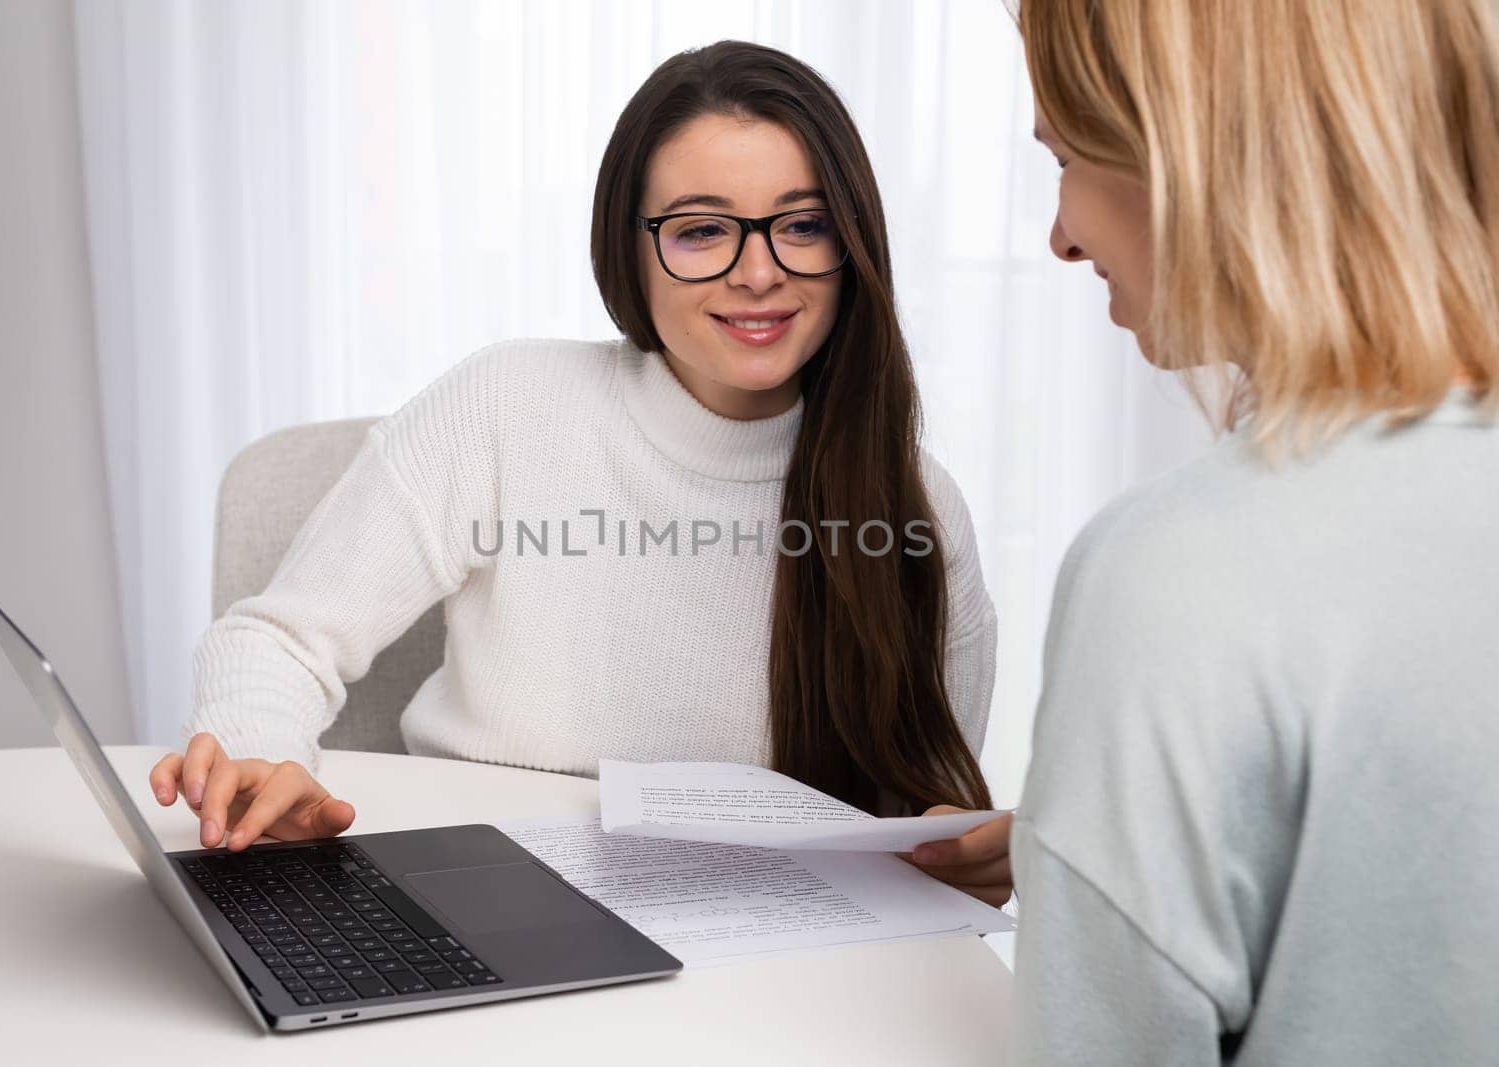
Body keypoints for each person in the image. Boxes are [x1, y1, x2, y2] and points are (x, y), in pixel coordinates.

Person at [147, 41, 1012, 903]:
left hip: (764, 962)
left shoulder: (917, 506)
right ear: (629, 248)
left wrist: (965, 863)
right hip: (482, 903)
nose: (759, 273)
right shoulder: (508, 405)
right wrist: (260, 757)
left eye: (804, 224)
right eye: (702, 229)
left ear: (851, 242)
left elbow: (932, 809)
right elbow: (280, 639)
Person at [1007, 0, 1499, 1061]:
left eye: (1065, 159)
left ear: (1190, 151)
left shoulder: (1176, 573)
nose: (1059, 232)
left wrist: (1105, 866)